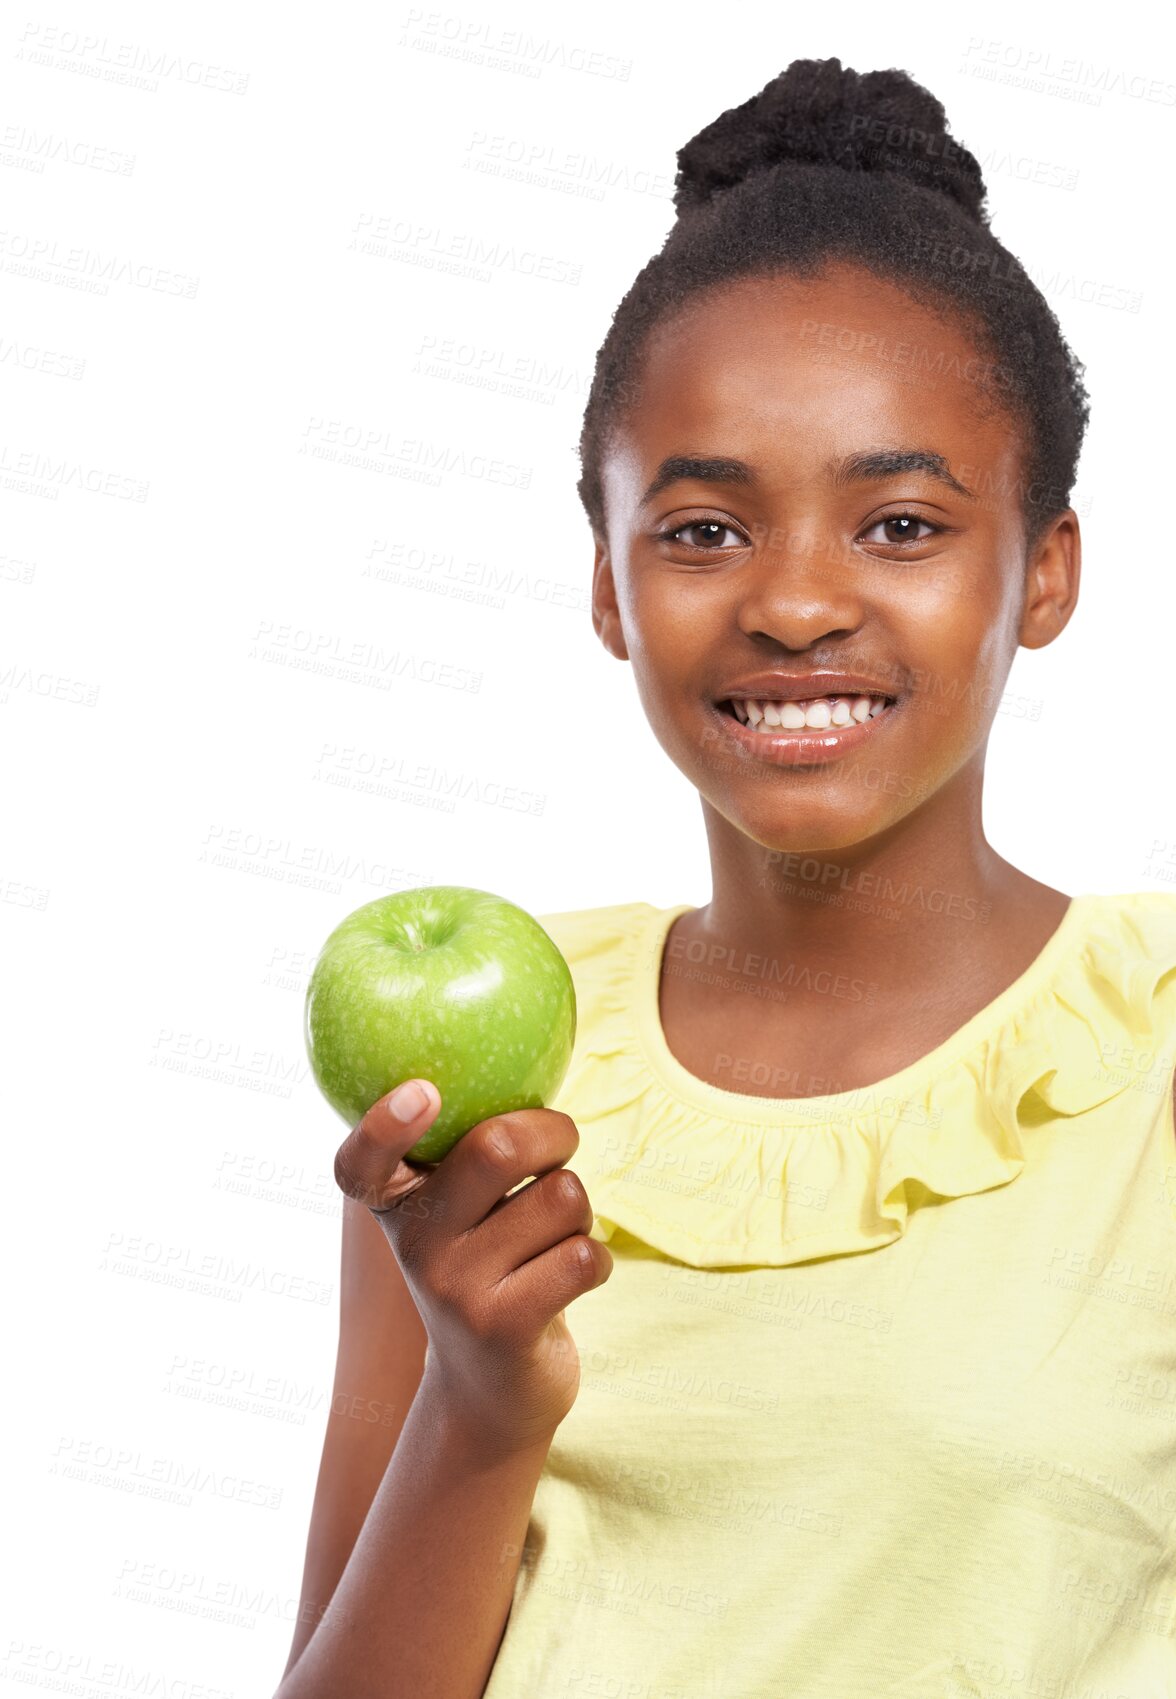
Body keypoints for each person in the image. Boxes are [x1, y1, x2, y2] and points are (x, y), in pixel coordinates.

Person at [273, 58, 1176, 1699]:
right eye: (701, 531)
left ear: (1043, 571)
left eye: (900, 525)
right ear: (610, 586)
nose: (797, 604)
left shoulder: (1158, 1052)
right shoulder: (499, 1078)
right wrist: (484, 1400)